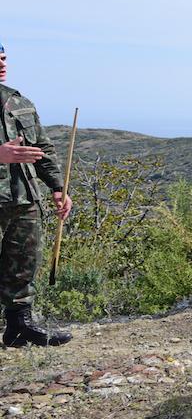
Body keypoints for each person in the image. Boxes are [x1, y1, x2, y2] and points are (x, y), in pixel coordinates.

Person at [0, 41, 73, 347]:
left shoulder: (18, 102)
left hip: (23, 197)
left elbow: (41, 148)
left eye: (4, 57)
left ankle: (20, 326)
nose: (2, 64)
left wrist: (57, 187)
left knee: (23, 263)